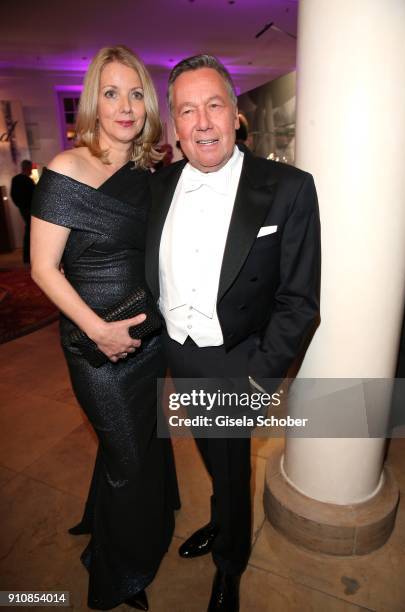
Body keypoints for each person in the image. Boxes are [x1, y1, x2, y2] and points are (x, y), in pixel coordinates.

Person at [146, 54, 321, 612]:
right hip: (181, 356)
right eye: (187, 110)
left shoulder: (288, 188)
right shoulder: (159, 186)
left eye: (213, 105)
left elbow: (299, 301)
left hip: (237, 364)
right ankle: (223, 524)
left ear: (235, 111)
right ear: (174, 124)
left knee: (233, 463)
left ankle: (230, 563)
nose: (202, 123)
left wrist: (259, 381)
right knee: (212, 459)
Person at [31, 45, 179, 611]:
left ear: (148, 104)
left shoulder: (147, 174)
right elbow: (44, 268)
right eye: (112, 92)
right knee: (129, 457)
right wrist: (99, 331)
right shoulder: (67, 167)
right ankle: (120, 574)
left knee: (137, 445)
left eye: (136, 93)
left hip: (148, 341)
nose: (125, 106)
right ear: (94, 99)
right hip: (99, 350)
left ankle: (113, 523)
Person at [10, 159, 35, 263]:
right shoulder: (28, 181)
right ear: (28, 168)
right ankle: (30, 257)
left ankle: (27, 257)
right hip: (31, 210)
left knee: (29, 232)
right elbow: (35, 195)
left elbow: (13, 195)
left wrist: (20, 206)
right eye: (31, 168)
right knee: (31, 232)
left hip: (24, 209)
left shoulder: (15, 179)